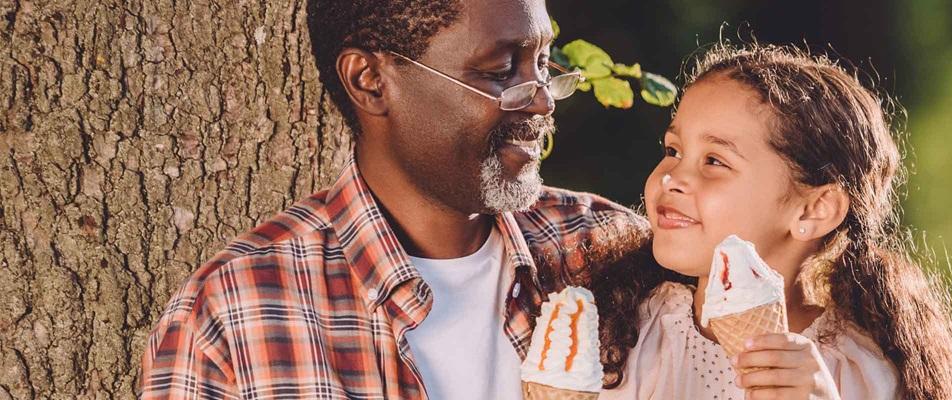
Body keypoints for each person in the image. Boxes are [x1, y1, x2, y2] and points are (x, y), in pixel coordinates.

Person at [137, 0, 645, 398]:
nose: (541, 98)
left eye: (541, 63)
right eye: (500, 70)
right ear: (370, 81)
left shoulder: (614, 250)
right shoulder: (233, 312)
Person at [586, 43, 952, 400]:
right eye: (674, 149)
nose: (671, 178)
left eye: (714, 161)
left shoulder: (860, 372)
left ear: (813, 210)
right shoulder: (623, 335)